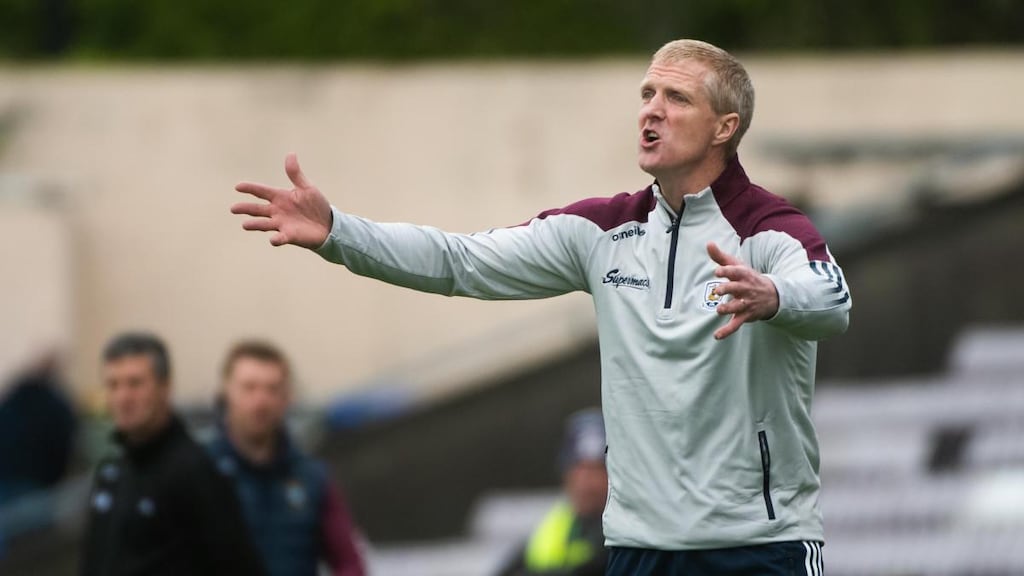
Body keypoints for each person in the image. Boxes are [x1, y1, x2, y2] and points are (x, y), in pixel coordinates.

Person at [232, 39, 850, 575]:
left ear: (725, 127)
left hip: (759, 547)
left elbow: (831, 299)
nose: (651, 111)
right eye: (646, 93)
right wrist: (339, 233)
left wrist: (774, 296)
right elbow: (459, 261)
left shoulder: (771, 228)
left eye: (677, 98)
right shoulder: (603, 230)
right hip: (640, 549)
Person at [80, 332, 267, 576]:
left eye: (135, 384)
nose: (123, 397)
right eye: (113, 385)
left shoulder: (195, 471)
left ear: (164, 388)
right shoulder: (111, 474)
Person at [206, 340, 366, 576]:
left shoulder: (312, 477)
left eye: (272, 389)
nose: (260, 401)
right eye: (249, 387)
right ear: (226, 391)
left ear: (287, 397)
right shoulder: (200, 472)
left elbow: (348, 562)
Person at [495, 408, 609, 576]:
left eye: (597, 469)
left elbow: (592, 567)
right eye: (579, 468)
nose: (587, 481)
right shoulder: (558, 522)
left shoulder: (624, 529)